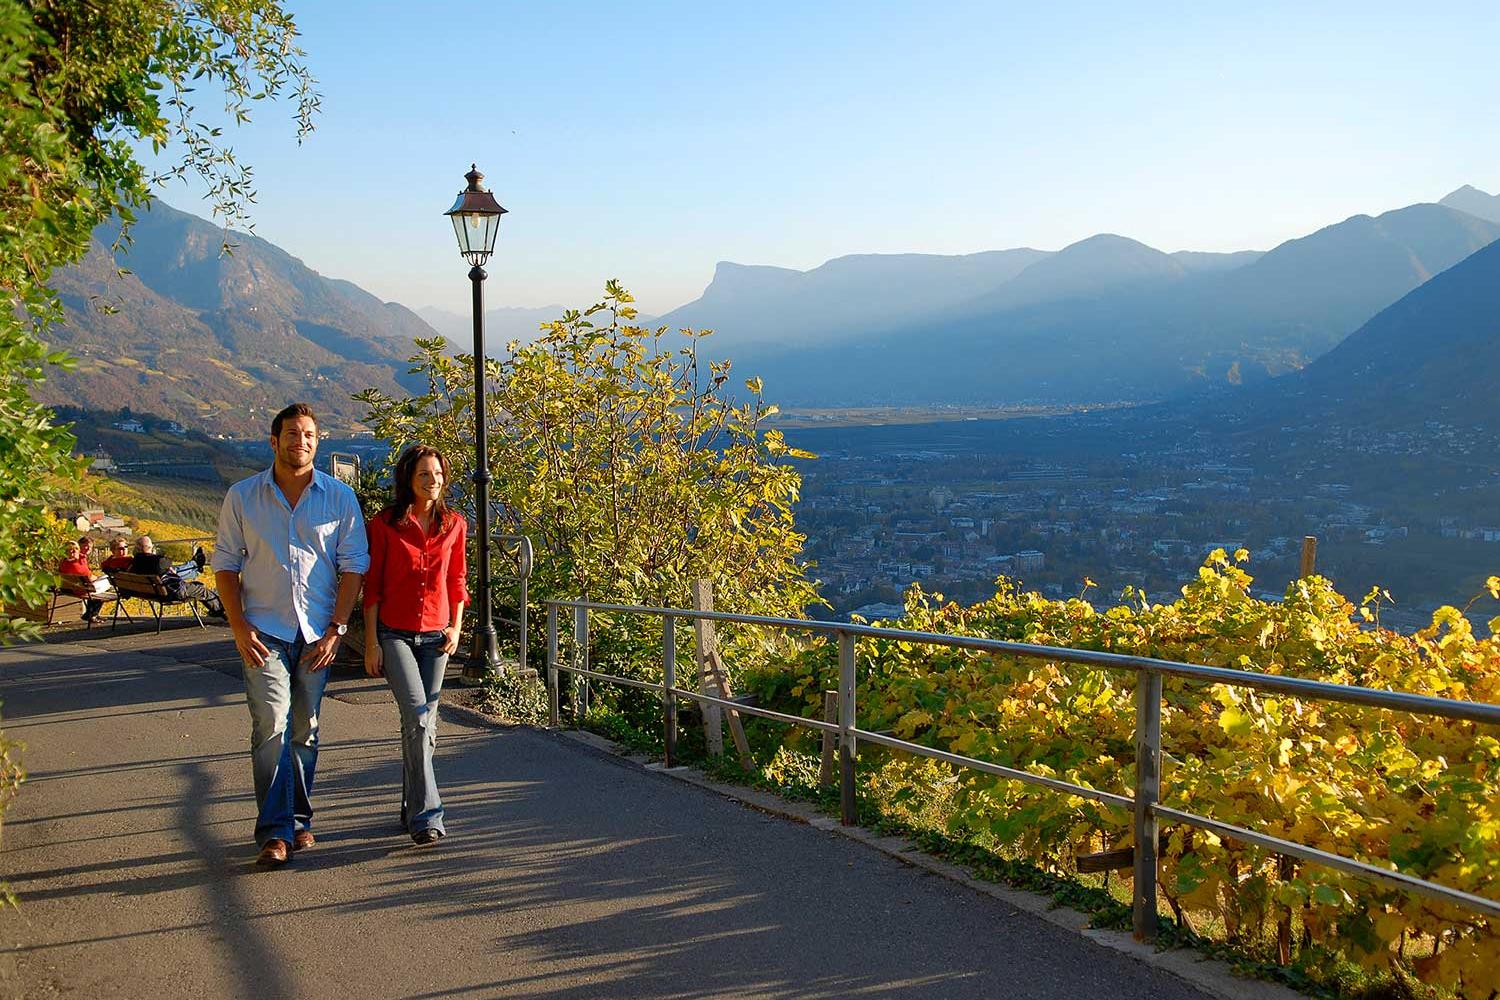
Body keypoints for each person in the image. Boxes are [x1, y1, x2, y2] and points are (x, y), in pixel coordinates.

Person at [214, 403, 368, 866]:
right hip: (264, 633)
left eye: (309, 435)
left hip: (318, 634)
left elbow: (353, 566)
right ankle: (275, 832)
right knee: (271, 726)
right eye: (292, 434)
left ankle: (299, 820)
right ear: (274, 441)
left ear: (317, 443)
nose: (300, 441)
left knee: (305, 730)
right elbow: (225, 563)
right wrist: (239, 627)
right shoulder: (243, 496)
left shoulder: (339, 498)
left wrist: (338, 630)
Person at [362, 445, 468, 847]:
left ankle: (410, 806)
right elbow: (372, 589)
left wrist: (457, 628)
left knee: (426, 725)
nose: (433, 481)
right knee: (419, 718)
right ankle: (429, 816)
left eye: (438, 475)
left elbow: (457, 581)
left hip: (437, 636)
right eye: (425, 474)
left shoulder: (454, 524)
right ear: (408, 478)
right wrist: (371, 642)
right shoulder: (386, 524)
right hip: (395, 635)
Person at [129, 536, 225, 617]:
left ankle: (195, 566)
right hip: (173, 592)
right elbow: (168, 562)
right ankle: (220, 611)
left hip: (156, 592)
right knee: (202, 590)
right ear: (150, 547)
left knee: (179, 573)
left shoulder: (135, 562)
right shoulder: (157, 561)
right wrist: (168, 568)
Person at [58, 540, 105, 623]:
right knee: (106, 582)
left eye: (76, 548)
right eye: (71, 549)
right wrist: (98, 578)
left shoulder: (63, 562)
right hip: (81, 590)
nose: (74, 551)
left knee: (97, 588)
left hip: (71, 588)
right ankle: (91, 614)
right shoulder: (74, 565)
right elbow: (89, 577)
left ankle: (91, 614)